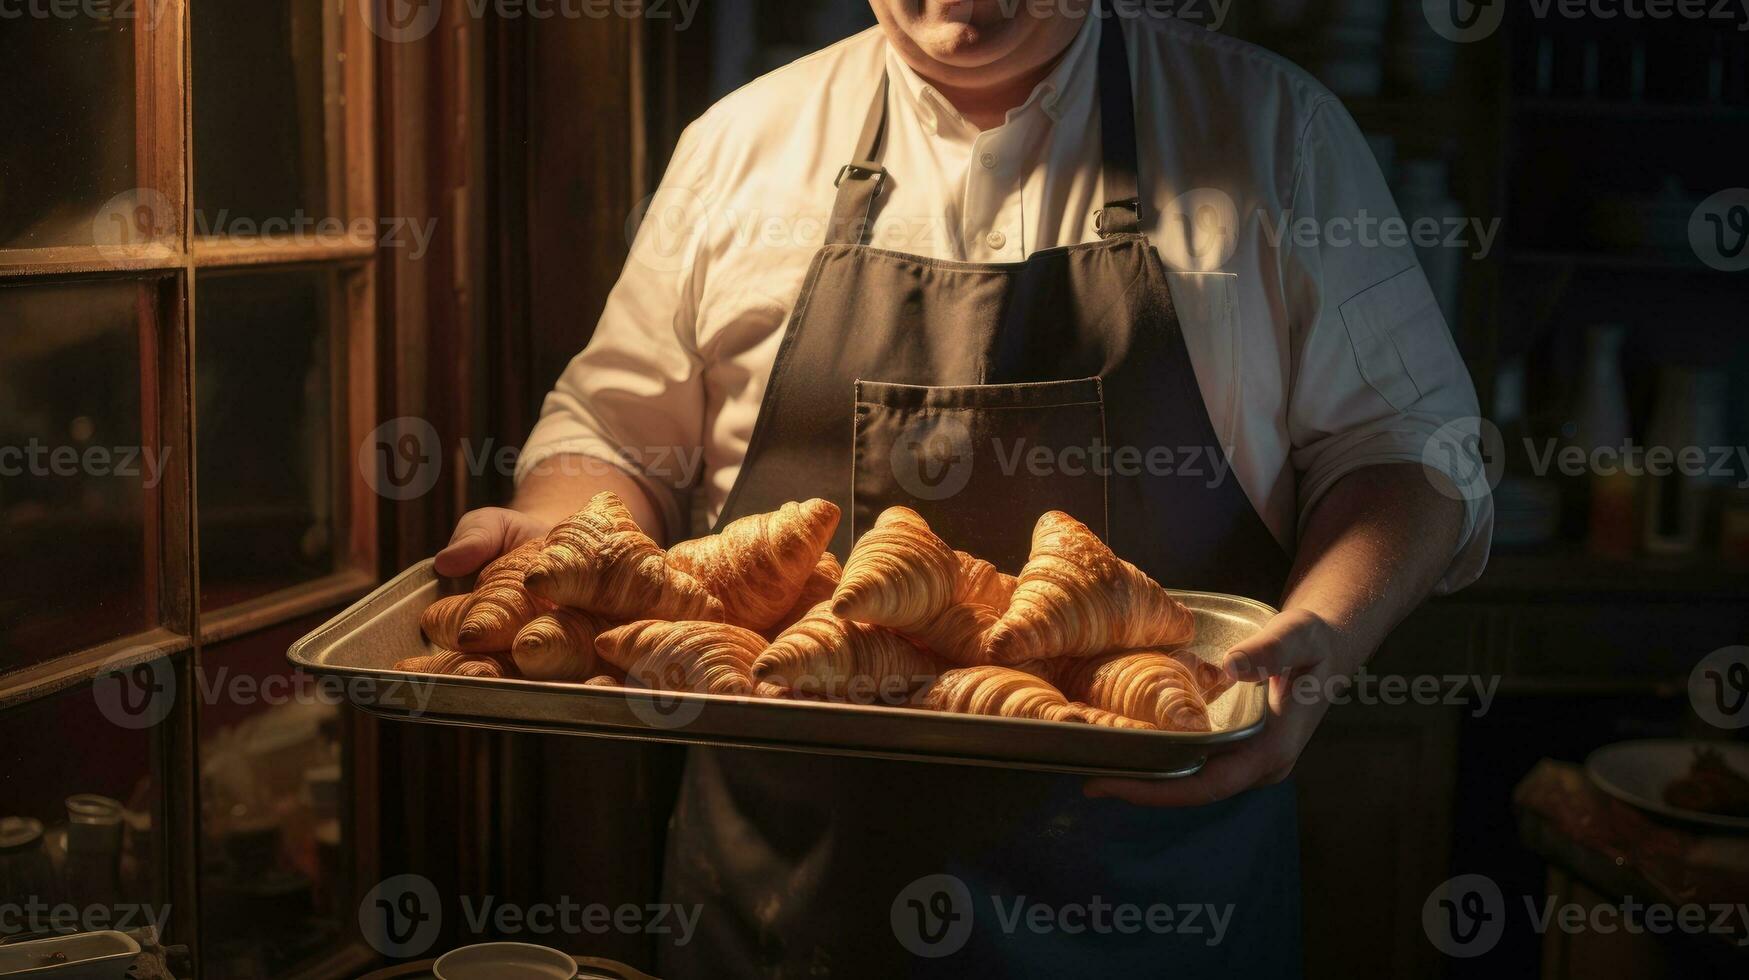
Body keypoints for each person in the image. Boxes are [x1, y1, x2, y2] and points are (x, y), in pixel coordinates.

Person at [436, 1, 1492, 974]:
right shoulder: (740, 146)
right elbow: (617, 437)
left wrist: (1328, 632)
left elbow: (1405, 451)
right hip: (788, 904)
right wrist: (554, 548)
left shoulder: (1268, 131)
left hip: (1161, 902)